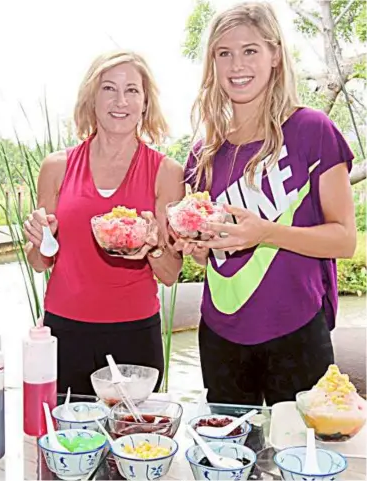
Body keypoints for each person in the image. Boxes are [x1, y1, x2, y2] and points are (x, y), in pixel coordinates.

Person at [175, 2, 356, 406]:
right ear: (213, 65)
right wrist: (195, 245)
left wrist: (267, 232)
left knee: (298, 459)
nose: (237, 64)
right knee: (228, 460)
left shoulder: (312, 130)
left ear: (275, 55)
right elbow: (210, 255)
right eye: (224, 53)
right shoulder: (204, 151)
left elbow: (345, 240)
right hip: (220, 334)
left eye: (250, 50)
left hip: (296, 331)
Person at [24, 50, 184, 395]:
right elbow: (39, 262)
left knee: (136, 442)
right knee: (68, 440)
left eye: (132, 91)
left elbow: (171, 274)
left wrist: (154, 247)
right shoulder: (56, 166)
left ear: (145, 103)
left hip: (135, 333)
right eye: (109, 88)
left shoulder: (166, 172)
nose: (120, 101)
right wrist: (39, 240)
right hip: (65, 330)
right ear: (91, 99)